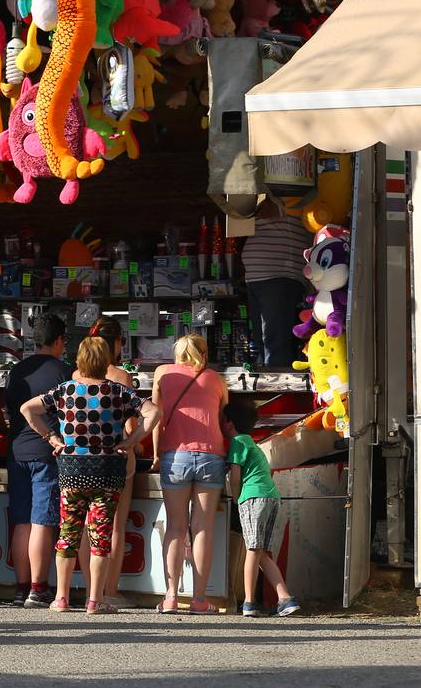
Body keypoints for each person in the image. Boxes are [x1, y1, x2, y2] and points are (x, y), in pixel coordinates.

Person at [21, 337, 158, 614]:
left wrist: (51, 437)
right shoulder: (119, 392)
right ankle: (96, 600)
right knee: (101, 536)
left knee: (68, 534)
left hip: (72, 470)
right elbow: (154, 411)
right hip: (108, 471)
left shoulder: (65, 390)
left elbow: (27, 409)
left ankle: (61, 597)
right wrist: (130, 442)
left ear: (81, 360)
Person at [152, 332, 229, 615]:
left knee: (175, 527)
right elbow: (221, 417)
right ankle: (199, 600)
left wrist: (158, 454)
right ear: (204, 354)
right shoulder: (217, 379)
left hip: (176, 456)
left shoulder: (163, 373)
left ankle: (171, 597)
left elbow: (157, 417)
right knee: (202, 529)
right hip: (211, 456)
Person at [4, 313, 68, 608]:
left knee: (21, 520)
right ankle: (38, 587)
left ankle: (20, 588)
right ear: (58, 341)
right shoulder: (64, 372)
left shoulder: (16, 371)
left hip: (17, 451)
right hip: (47, 451)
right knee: (42, 519)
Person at [224, 399, 300, 617]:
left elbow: (235, 474)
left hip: (253, 497)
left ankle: (248, 601)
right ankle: (284, 597)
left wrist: (236, 497)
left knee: (252, 549)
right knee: (261, 552)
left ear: (229, 423)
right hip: (271, 497)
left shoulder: (237, 443)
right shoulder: (251, 443)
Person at [81, 316, 137, 609]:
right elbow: (130, 422)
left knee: (82, 526)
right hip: (114, 457)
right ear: (116, 345)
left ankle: (89, 588)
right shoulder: (121, 376)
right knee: (113, 525)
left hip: (78, 459)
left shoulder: (75, 374)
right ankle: (109, 590)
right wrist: (133, 445)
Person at [242, 197, 312, 366]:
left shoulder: (282, 196)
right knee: (269, 339)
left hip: (273, 273)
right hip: (267, 274)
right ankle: (273, 380)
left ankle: (274, 382)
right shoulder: (279, 197)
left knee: (272, 339)